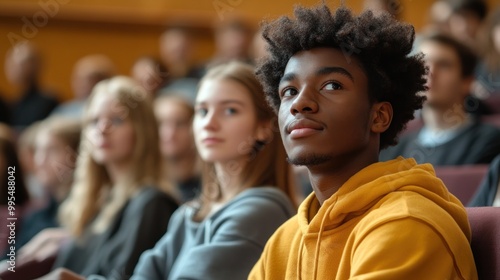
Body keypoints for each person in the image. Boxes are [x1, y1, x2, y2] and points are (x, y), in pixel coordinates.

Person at [249, 4, 477, 279]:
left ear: (379, 116)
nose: (300, 104)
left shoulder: (407, 222)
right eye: (289, 91)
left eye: (332, 85)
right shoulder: (284, 241)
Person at [131, 61, 297, 280]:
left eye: (230, 110)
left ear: (264, 127)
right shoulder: (189, 214)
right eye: (202, 111)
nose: (209, 123)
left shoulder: (262, 210)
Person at [22, 76, 178, 279]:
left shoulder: (152, 203)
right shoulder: (97, 201)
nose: (102, 129)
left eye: (116, 120)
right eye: (94, 121)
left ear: (142, 130)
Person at [381, 32, 500, 165]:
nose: (430, 72)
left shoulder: (488, 140)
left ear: (467, 82)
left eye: (444, 65)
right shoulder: (396, 148)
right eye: (422, 63)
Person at [15, 117, 81, 249]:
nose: (41, 160)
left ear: (75, 156)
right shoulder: (35, 215)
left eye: (52, 150)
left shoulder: (87, 212)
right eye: (38, 150)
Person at [154, 92, 201, 202]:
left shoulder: (209, 183)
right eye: (161, 123)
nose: (170, 133)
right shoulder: (147, 184)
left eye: (180, 124)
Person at [4, 42, 59, 131]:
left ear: (35, 66)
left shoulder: (48, 101)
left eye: (19, 64)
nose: (11, 68)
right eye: (10, 62)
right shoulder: (11, 103)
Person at [51, 54, 116, 119]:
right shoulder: (64, 110)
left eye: (90, 81)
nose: (82, 85)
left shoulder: (113, 109)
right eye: (79, 79)